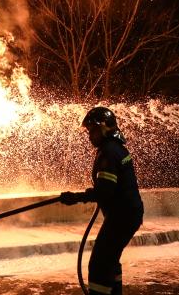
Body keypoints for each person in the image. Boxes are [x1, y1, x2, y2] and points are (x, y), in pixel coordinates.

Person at [60, 106, 144, 295]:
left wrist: (76, 198)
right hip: (127, 214)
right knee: (110, 259)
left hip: (122, 217)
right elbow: (107, 190)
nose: (90, 136)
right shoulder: (115, 149)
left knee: (99, 264)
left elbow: (105, 192)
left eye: (93, 130)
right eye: (89, 131)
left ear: (105, 128)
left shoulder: (109, 153)